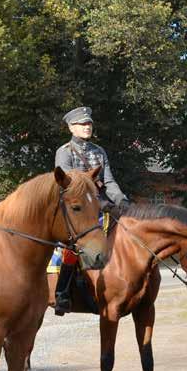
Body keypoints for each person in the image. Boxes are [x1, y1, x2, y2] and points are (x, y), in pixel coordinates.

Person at [52, 106, 129, 315]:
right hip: (78, 209)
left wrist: (121, 200)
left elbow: (109, 181)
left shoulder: (99, 151)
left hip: (103, 206)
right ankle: (62, 294)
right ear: (71, 127)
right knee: (73, 247)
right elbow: (69, 184)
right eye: (82, 124)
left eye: (89, 123)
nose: (87, 127)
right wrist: (99, 202)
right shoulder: (64, 152)